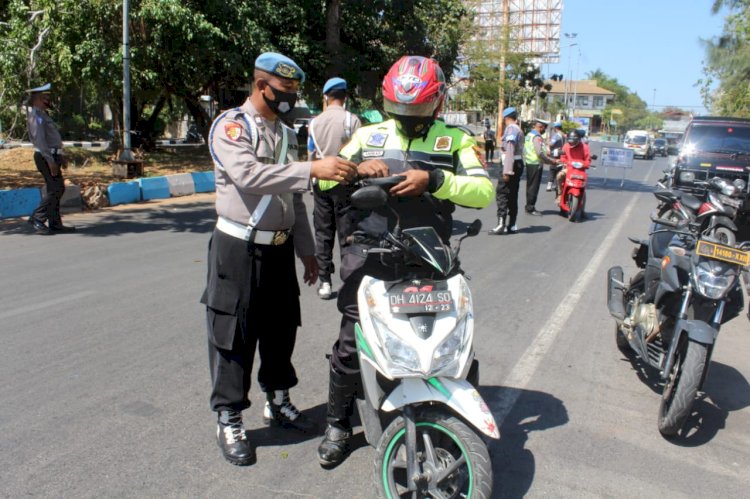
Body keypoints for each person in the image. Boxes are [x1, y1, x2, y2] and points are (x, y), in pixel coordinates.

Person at [316, 55, 493, 467]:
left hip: (431, 258)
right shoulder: (368, 134)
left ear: (438, 102)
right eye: (402, 109)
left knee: (452, 343)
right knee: (349, 345)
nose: (409, 116)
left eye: (417, 109)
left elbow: (482, 191)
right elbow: (323, 179)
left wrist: (434, 180)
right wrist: (356, 170)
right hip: (372, 255)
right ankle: (337, 425)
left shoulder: (456, 140)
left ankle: (455, 419)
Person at [201, 52, 358, 466]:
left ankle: (277, 398)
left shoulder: (286, 133)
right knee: (235, 333)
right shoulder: (231, 126)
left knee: (280, 327)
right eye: (284, 91)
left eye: (293, 92)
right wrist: (312, 168)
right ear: (261, 86)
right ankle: (229, 416)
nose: (289, 98)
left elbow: (294, 198)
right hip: (239, 247)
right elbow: (250, 176)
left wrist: (307, 252)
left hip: (280, 247)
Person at [307, 77, 362, 300]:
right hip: (346, 182)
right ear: (345, 97)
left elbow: (310, 154)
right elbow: (360, 153)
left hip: (321, 182)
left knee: (323, 233)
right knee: (348, 233)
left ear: (326, 97)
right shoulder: (352, 120)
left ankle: (325, 282)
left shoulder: (314, 123)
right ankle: (350, 281)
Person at [26, 83, 74, 235]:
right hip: (45, 156)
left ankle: (55, 223)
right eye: (46, 97)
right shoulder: (36, 116)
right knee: (56, 188)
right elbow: (40, 141)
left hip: (53, 155)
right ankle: (37, 217)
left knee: (56, 188)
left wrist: (60, 155)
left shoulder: (42, 115)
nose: (49, 100)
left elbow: (52, 138)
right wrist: (50, 160)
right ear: (38, 99)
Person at [489, 107, 524, 235]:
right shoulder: (517, 128)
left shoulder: (511, 129)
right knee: (513, 195)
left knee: (502, 194)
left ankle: (501, 225)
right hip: (517, 163)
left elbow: (509, 149)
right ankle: (512, 224)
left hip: (510, 164)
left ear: (505, 118)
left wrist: (507, 171)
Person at [523, 118, 557, 216]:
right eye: (544, 128)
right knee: (534, 187)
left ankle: (528, 206)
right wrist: (551, 161)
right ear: (540, 127)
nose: (544, 131)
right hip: (536, 164)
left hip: (530, 163)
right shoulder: (537, 137)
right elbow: (539, 153)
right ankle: (530, 208)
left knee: (530, 186)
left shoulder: (529, 135)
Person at [557, 130, 591, 208]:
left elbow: (588, 159)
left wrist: (585, 164)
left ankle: (582, 208)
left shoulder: (585, 147)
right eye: (570, 142)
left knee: (583, 187)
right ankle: (559, 194)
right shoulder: (566, 146)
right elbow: (563, 157)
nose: (571, 144)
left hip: (580, 171)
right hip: (569, 169)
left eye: (574, 142)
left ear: (578, 140)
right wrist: (565, 162)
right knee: (559, 175)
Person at [546, 122, 564, 192]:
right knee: (559, 170)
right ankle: (557, 186)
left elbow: (551, 144)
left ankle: (549, 186)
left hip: (555, 155)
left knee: (552, 170)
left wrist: (547, 142)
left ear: (556, 128)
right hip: (561, 155)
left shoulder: (556, 136)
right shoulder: (563, 135)